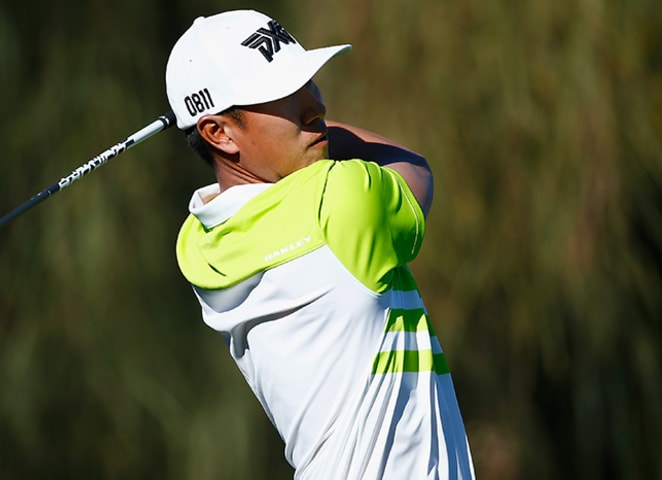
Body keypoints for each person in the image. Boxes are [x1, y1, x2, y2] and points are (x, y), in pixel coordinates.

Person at [166, 9, 476, 479]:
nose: (316, 105)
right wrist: (320, 133)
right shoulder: (342, 199)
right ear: (218, 132)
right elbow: (414, 168)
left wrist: (295, 129)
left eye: (308, 82)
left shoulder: (198, 245)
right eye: (281, 95)